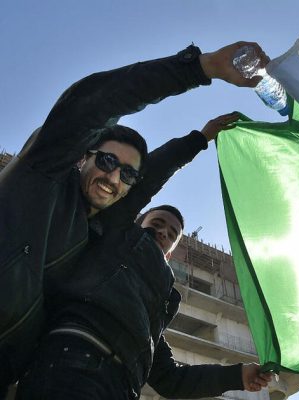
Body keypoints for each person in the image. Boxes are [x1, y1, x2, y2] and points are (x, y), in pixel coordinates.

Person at [0, 41, 268, 391]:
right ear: (84, 157)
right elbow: (94, 106)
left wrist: (235, 376)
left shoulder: (152, 287)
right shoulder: (45, 174)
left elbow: (169, 378)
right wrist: (201, 69)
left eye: (126, 175)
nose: (113, 178)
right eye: (107, 161)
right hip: (67, 364)